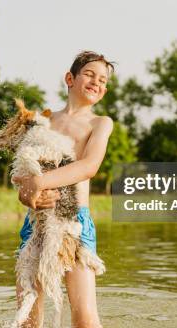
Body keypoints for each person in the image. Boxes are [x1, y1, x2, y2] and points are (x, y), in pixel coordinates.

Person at [12, 50, 115, 328]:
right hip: (37, 223)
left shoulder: (100, 123)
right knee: (28, 317)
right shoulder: (44, 120)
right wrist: (28, 194)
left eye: (103, 80)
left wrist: (41, 182)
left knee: (84, 319)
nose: (97, 83)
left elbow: (89, 166)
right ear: (70, 78)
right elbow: (24, 175)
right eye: (90, 75)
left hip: (75, 224)